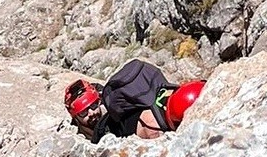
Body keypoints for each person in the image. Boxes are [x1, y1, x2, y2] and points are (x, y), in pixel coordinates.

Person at [65, 61, 205, 142]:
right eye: (83, 113)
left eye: (94, 105)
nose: (91, 113)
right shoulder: (154, 129)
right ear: (75, 117)